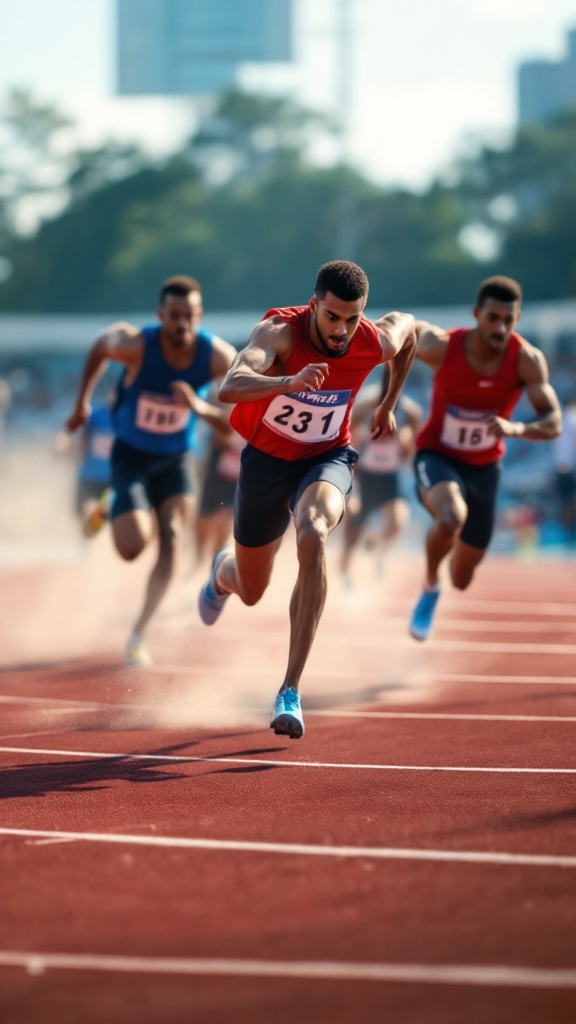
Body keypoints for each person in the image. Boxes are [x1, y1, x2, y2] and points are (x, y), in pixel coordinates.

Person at [197, 259, 416, 738]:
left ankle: (290, 689)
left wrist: (388, 402)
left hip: (327, 458)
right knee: (252, 591)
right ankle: (222, 573)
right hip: (266, 463)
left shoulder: (372, 341)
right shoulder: (279, 334)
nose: (342, 330)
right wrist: (287, 382)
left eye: (352, 318)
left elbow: (410, 332)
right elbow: (230, 386)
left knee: (313, 534)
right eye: (333, 316)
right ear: (314, 305)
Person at [66, 275, 236, 667]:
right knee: (132, 548)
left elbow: (231, 426)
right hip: (132, 457)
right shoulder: (136, 345)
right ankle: (110, 507)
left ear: (200, 315)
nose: (181, 325)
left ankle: (139, 632)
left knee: (174, 534)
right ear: (161, 315)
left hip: (177, 461)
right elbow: (99, 346)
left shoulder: (217, 357)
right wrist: (81, 404)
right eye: (173, 316)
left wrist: (200, 409)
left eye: (188, 316)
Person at [408, 275, 562, 642]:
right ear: (477, 314)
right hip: (437, 455)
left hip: (484, 469)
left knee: (462, 579)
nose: (501, 327)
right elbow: (401, 341)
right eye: (493, 317)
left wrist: (517, 429)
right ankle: (429, 588)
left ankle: (446, 580)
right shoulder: (445, 346)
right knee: (450, 516)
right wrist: (387, 401)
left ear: (517, 319)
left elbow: (553, 421)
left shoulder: (527, 360)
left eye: (509, 319)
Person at [340, 369, 422, 586]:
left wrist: (403, 441)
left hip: (389, 475)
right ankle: (345, 573)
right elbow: (347, 434)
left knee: (398, 521)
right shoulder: (366, 404)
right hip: (364, 475)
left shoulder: (411, 412)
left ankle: (377, 547)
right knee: (353, 527)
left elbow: (410, 446)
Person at [193, 382, 245, 570]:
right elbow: (215, 437)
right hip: (216, 472)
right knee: (203, 522)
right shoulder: (224, 403)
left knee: (225, 520)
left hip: (239, 479)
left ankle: (213, 568)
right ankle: (197, 561)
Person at [552, 395, 576, 544]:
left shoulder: (558, 421)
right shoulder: (573, 420)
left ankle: (567, 533)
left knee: (564, 502)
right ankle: (570, 533)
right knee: (571, 501)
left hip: (559, 467)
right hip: (571, 467)